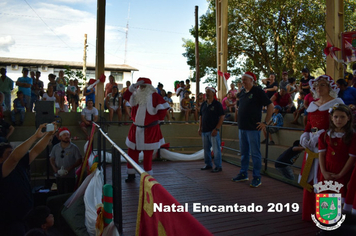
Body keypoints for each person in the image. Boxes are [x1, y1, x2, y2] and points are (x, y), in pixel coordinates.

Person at [298, 75, 344, 221]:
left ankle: (327, 215)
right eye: (317, 85)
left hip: (329, 148)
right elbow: (309, 124)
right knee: (311, 177)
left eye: (323, 84)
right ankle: (310, 211)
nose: (319, 87)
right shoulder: (313, 104)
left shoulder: (337, 103)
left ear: (330, 87)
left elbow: (340, 125)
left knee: (325, 180)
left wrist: (324, 136)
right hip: (312, 147)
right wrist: (305, 135)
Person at [0, 123, 56, 236]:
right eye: (8, 153)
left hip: (26, 215)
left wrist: (48, 135)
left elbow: (36, 150)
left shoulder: (19, 165)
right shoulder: (2, 169)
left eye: (12, 151)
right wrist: (35, 136)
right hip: (11, 220)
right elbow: (14, 157)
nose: (11, 154)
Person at [123, 77, 169, 182]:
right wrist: (133, 86)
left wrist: (159, 120)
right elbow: (125, 96)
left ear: (149, 87)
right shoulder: (135, 96)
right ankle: (131, 175)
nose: (141, 87)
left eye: (143, 85)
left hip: (150, 129)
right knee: (132, 152)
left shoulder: (155, 96)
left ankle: (147, 177)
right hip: (135, 129)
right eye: (140, 86)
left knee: (148, 155)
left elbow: (163, 110)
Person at [232, 71, 274, 187]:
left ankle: (257, 177)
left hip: (253, 128)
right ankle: (243, 173)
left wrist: (265, 122)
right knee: (244, 153)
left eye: (245, 79)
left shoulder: (258, 91)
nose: (242, 82)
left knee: (255, 154)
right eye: (242, 80)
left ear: (251, 80)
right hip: (242, 128)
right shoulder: (242, 93)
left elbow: (271, 106)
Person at [318, 104, 356, 199]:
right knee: (326, 199)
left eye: (342, 117)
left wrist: (340, 174)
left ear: (348, 118)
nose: (339, 120)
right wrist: (324, 172)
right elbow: (321, 154)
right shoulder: (324, 135)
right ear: (331, 118)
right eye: (336, 117)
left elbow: (352, 157)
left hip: (344, 171)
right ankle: (327, 214)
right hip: (327, 171)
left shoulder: (353, 136)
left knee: (341, 197)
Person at [199, 87, 224, 173]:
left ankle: (218, 166)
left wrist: (217, 128)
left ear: (213, 93)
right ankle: (208, 164)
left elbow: (222, 116)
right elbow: (201, 116)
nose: (207, 93)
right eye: (206, 92)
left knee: (216, 149)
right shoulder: (203, 104)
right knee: (206, 149)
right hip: (204, 130)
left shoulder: (217, 104)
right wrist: (200, 127)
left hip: (213, 130)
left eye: (209, 92)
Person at [50, 127, 82, 194]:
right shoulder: (55, 147)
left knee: (69, 193)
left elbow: (79, 160)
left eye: (68, 135)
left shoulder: (74, 148)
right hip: (59, 176)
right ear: (60, 137)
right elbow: (52, 158)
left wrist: (70, 168)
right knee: (60, 193)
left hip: (70, 176)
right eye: (64, 135)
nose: (66, 136)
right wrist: (54, 168)